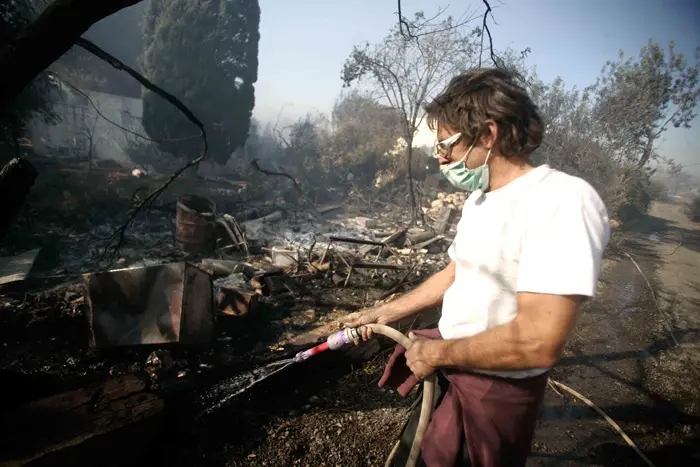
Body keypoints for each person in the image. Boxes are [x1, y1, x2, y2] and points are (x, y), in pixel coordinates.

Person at [347, 68, 611, 467]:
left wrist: (436, 354)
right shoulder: (481, 200)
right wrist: (387, 312)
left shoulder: (562, 201)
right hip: (452, 367)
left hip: (494, 390)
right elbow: (457, 271)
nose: (440, 157)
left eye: (447, 145)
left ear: (488, 136)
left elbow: (537, 341)